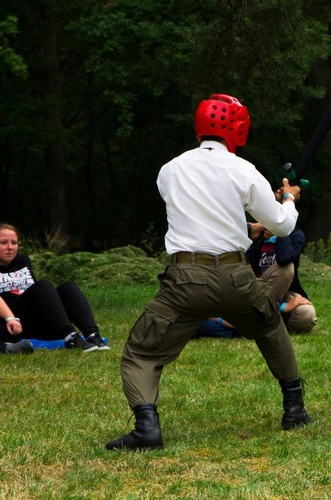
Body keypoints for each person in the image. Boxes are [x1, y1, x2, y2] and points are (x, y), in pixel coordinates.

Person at [106, 94, 312, 451]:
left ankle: (146, 427)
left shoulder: (169, 169)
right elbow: (281, 225)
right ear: (238, 128)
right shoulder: (243, 169)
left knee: (141, 352)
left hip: (185, 280)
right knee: (268, 326)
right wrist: (289, 198)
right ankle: (294, 409)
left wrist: (247, 228)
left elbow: (201, 221)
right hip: (236, 277)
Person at [194, 221, 317, 338]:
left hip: (280, 293)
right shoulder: (256, 238)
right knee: (286, 270)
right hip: (251, 294)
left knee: (306, 315)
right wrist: (283, 307)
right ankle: (251, 323)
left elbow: (284, 257)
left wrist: (279, 232)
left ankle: (249, 325)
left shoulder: (295, 235)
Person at [0, 223, 107, 352]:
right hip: (15, 325)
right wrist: (10, 318)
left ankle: (93, 335)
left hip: (42, 322)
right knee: (43, 286)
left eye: (14, 243)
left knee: (68, 287)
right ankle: (70, 337)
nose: (10, 248)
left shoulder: (22, 260)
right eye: (3, 243)